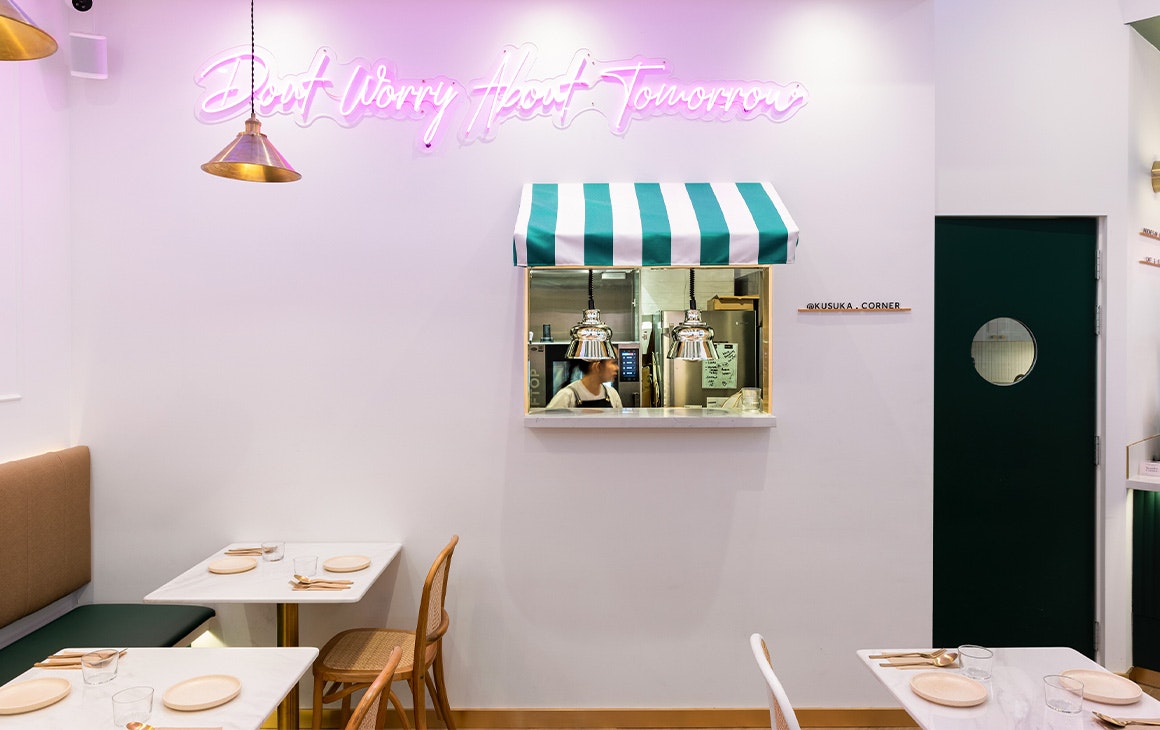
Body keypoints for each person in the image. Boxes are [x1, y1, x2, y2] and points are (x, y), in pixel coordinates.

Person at [546, 358, 623, 408]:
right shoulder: (567, 396)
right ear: (597, 366)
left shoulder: (612, 394)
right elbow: (547, 426)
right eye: (613, 363)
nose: (617, 368)